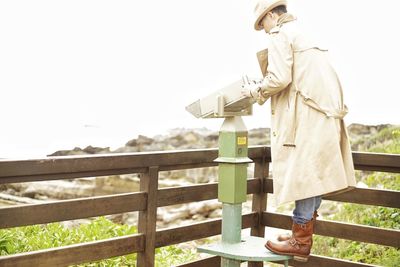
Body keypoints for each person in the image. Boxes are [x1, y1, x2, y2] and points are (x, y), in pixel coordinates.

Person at [242, 0, 356, 262]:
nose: (263, 29)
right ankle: (300, 234)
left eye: (263, 23)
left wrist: (254, 91)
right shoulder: (305, 32)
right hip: (322, 113)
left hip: (304, 116)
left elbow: (280, 78)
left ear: (272, 15)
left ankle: (300, 240)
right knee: (313, 175)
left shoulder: (280, 34)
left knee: (305, 175)